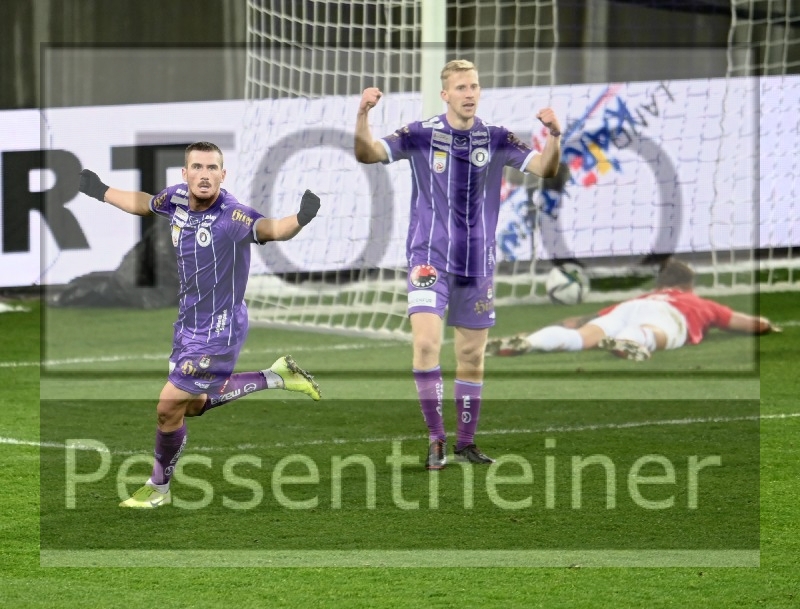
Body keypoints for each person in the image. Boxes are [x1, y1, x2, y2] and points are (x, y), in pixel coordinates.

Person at [78, 141, 322, 508]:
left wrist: (301, 218)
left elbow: (271, 229)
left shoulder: (232, 216)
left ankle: (157, 489)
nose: (204, 175)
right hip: (188, 325)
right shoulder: (176, 199)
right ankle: (275, 376)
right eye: (197, 167)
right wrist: (99, 190)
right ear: (185, 173)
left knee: (167, 406)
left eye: (212, 168)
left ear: (223, 175)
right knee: (190, 406)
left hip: (219, 331)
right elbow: (144, 203)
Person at [354, 59, 562, 469]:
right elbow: (368, 152)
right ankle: (436, 439)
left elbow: (545, 168)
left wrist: (555, 135)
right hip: (429, 259)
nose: (470, 93)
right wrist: (362, 115)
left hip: (478, 263)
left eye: (475, 86)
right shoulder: (419, 134)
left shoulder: (497, 138)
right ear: (445, 94)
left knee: (471, 356)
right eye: (461, 87)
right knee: (427, 344)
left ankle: (467, 442)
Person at [486, 259, 782, 360]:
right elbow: (745, 322)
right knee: (655, 332)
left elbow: (586, 319)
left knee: (582, 337)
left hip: (629, 309)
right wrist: (766, 324)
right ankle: (632, 341)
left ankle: (532, 341)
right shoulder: (698, 303)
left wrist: (575, 321)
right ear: (688, 284)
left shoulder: (646, 295)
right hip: (668, 317)